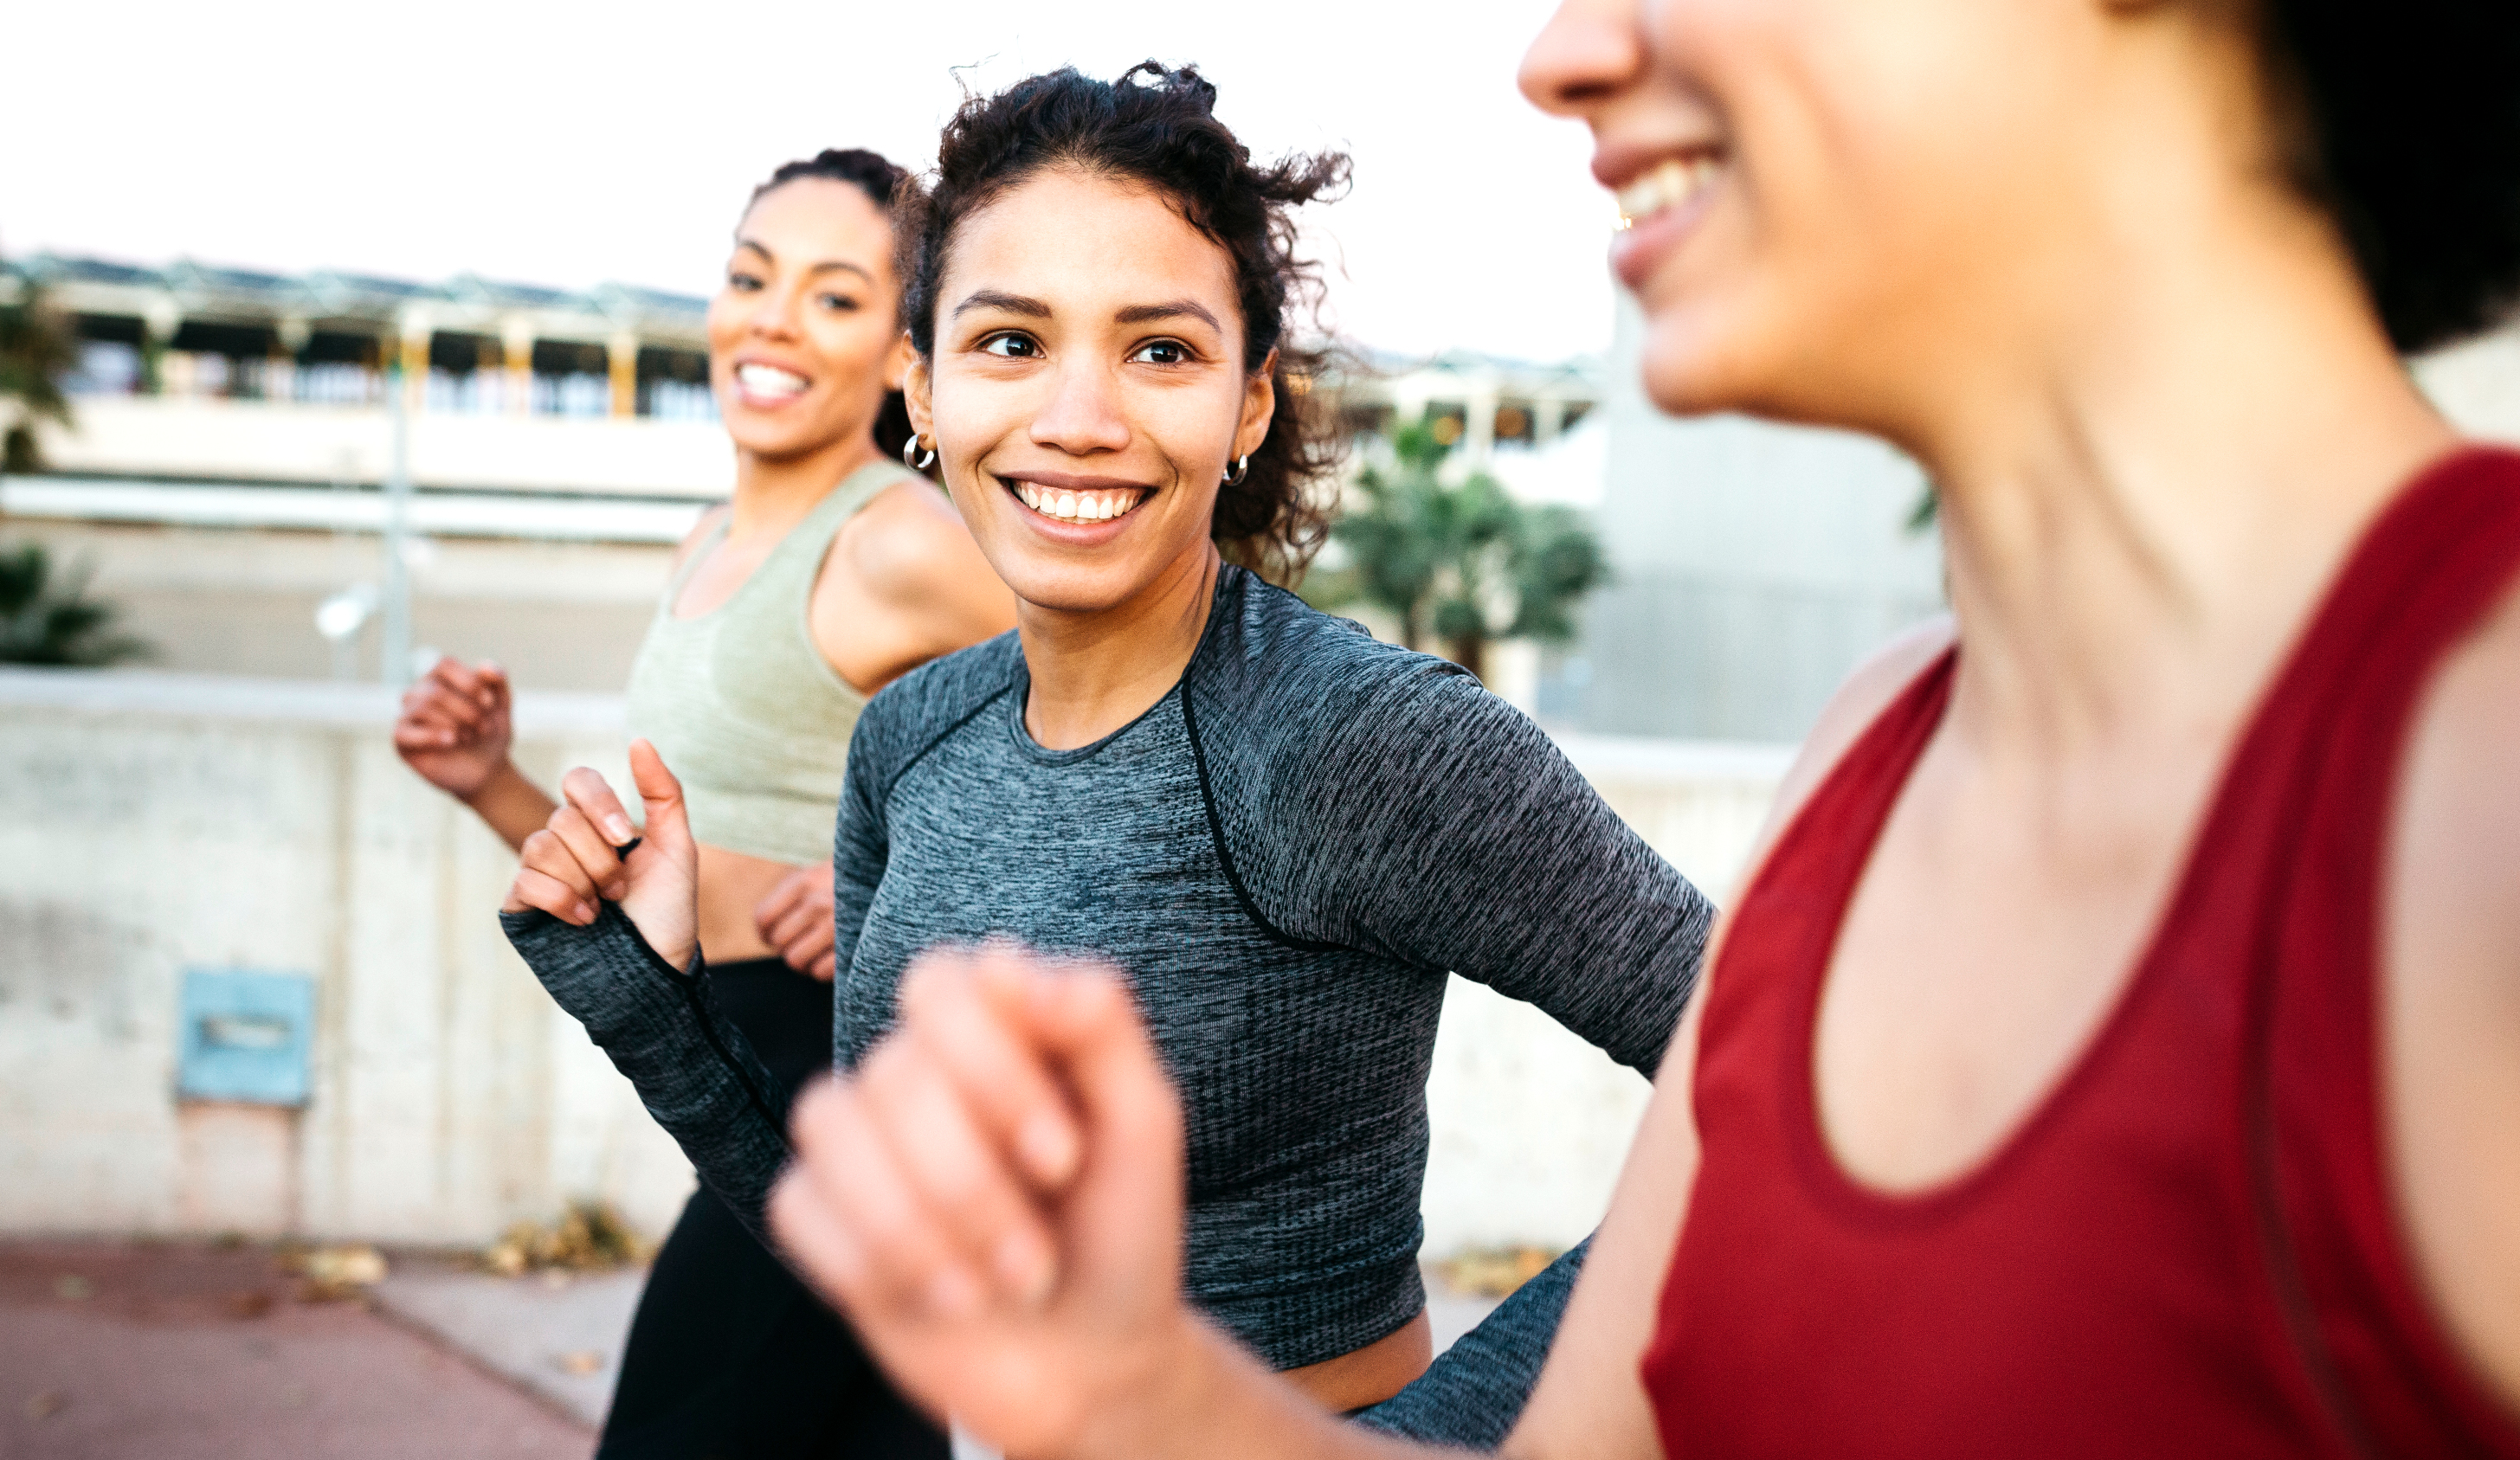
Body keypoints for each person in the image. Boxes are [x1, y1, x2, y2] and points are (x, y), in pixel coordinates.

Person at [756, 3, 2520, 1457]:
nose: (1564, 51)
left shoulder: (2478, 771)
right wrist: (1130, 1392)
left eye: (1157, 350)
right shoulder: (1880, 753)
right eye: (1004, 339)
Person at [492, 63, 1716, 1444]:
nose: (1079, 417)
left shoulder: (1352, 738)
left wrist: (1451, 1436)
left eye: (1161, 350)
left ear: (1249, 404)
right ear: (923, 389)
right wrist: (658, 1000)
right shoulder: (909, 740)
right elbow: (884, 1264)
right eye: (1012, 342)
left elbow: (1769, 1082)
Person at [393, 148, 1015, 1459]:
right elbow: (675, 871)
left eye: (836, 297)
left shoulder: (897, 540)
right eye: (751, 278)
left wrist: (920, 890)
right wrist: (492, 784)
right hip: (735, 1068)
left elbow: (1122, 719)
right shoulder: (706, 544)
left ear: (905, 356)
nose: (774, 318)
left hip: (840, 1086)